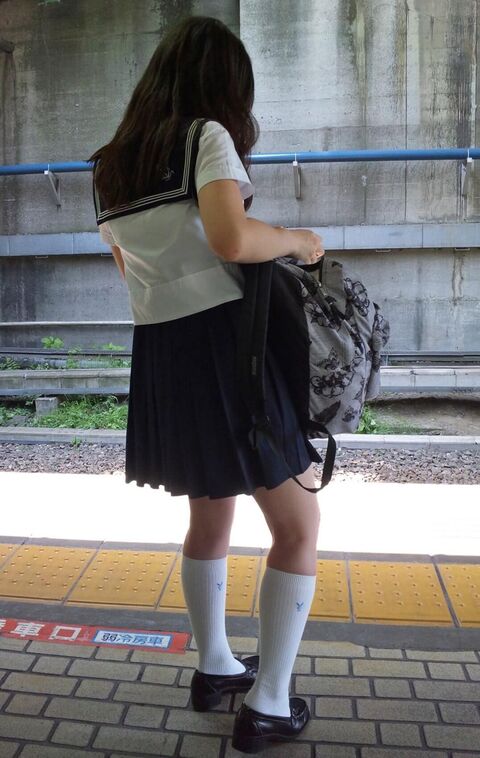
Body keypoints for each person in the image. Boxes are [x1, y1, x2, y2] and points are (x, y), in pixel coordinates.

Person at [90, 15, 325, 753]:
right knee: (297, 526)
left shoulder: (112, 164)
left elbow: (129, 269)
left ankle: (216, 666)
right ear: (225, 83)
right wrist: (298, 241)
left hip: (165, 353)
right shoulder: (206, 137)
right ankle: (270, 703)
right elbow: (232, 240)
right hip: (231, 351)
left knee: (209, 515)